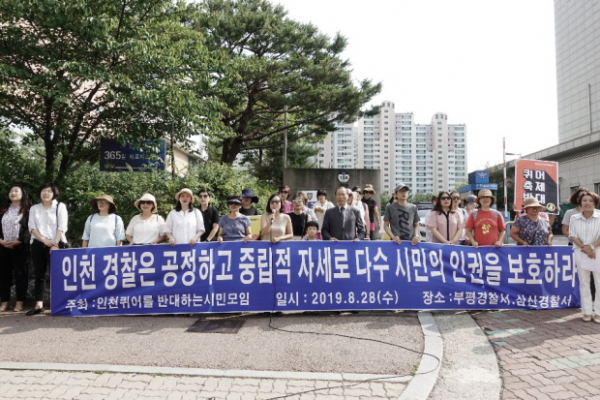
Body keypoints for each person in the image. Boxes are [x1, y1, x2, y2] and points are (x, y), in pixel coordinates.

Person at [27, 183, 68, 316]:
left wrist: (54, 243)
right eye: (43, 191)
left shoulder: (60, 206)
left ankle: (60, 303)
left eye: (49, 191)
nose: (46, 193)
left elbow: (62, 226)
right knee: (39, 274)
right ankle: (39, 304)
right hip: (38, 243)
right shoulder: (34, 208)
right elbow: (32, 227)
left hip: (57, 243)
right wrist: (44, 240)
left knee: (58, 274)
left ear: (54, 193)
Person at [568, 191, 600, 323]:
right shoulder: (574, 218)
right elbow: (572, 235)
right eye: (584, 200)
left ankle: (598, 312)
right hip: (580, 251)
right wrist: (584, 248)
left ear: (595, 203)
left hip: (597, 251)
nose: (587, 203)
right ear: (580, 203)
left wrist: (592, 247)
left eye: (590, 201)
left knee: (599, 282)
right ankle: (587, 311)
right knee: (584, 282)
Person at [0, 185, 31, 312]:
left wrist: (19, 241)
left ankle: (19, 302)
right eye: (11, 191)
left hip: (20, 247)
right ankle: (4, 301)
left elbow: (29, 229)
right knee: (3, 274)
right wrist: (1, 241)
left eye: (16, 191)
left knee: (20, 274)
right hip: (3, 247)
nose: (13, 193)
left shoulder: (28, 211)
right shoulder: (3, 211)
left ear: (22, 194)